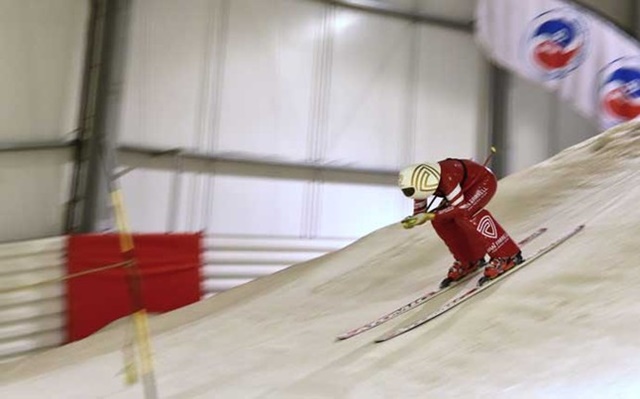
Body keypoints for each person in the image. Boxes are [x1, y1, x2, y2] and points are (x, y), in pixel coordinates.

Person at [397, 158, 523, 288]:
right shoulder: (420, 181)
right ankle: (469, 259)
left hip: (482, 183)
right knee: (440, 220)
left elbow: (460, 209)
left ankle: (507, 254)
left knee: (468, 214)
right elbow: (420, 212)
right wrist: (415, 220)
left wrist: (429, 215)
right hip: (462, 190)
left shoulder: (447, 177)